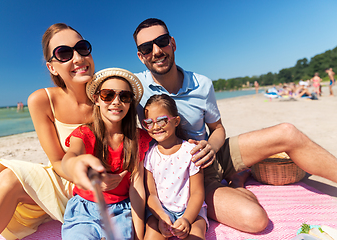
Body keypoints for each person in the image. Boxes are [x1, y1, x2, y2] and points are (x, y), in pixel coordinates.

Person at [133, 18, 337, 233]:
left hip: (214, 154)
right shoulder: (134, 87)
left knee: (288, 132)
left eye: (162, 41)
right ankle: (237, 182)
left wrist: (210, 147)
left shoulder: (202, 84)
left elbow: (218, 129)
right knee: (255, 220)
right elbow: (102, 96)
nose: (156, 51)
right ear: (141, 56)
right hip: (189, 178)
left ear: (172, 43)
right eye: (146, 48)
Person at [0, 23, 96, 240]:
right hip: (64, 171)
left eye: (82, 48)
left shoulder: (110, 95)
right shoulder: (42, 100)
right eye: (64, 53)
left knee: (10, 179)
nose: (78, 58)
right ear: (52, 67)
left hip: (88, 184)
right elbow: (58, 161)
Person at [61, 68, 151, 240]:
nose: (116, 101)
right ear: (96, 99)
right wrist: (80, 168)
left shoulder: (137, 139)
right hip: (83, 209)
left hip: (121, 209)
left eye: (124, 96)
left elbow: (137, 189)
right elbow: (70, 158)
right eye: (108, 95)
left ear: (130, 102)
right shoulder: (85, 134)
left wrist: (139, 236)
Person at [143, 94, 208, 239]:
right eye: (149, 122)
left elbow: (197, 193)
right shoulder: (150, 155)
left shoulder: (191, 151)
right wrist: (161, 216)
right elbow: (151, 194)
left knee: (197, 233)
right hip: (160, 211)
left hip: (191, 210)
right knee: (151, 234)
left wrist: (186, 219)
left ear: (176, 121)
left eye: (162, 120)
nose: (156, 127)